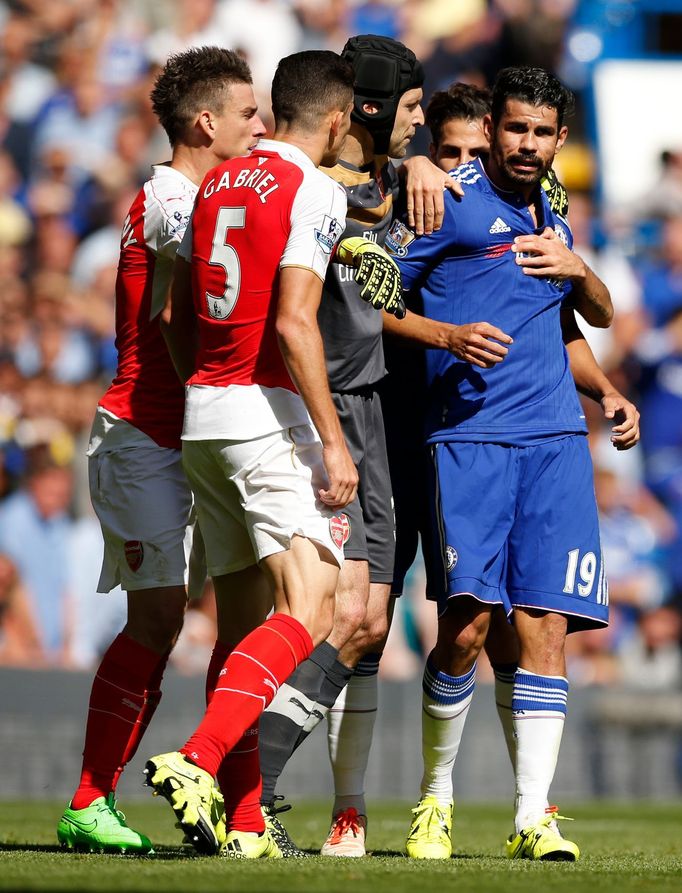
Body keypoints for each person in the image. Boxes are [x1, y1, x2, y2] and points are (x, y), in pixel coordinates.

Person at [146, 48, 402, 861]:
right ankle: (199, 757)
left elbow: (172, 313)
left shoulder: (212, 180)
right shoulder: (316, 188)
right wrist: (333, 441)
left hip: (205, 415)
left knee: (244, 626)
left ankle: (247, 820)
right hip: (267, 417)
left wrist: (205, 392)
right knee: (315, 606)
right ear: (336, 120)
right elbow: (296, 322)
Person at [381, 80, 640, 860]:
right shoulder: (450, 200)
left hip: (557, 440)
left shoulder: (553, 213)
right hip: (469, 439)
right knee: (466, 629)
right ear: (491, 129)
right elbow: (372, 295)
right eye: (516, 129)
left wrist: (606, 388)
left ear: (561, 139)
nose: (528, 143)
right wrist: (446, 335)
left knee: (546, 625)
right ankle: (436, 796)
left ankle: (534, 815)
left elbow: (582, 318)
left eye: (544, 132)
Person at [56, 46, 266, 855]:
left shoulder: (205, 193)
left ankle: (233, 802)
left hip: (191, 438)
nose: (262, 128)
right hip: (146, 434)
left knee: (210, 618)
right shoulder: (173, 199)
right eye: (250, 114)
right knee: (156, 616)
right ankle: (87, 798)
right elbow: (180, 323)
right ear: (207, 121)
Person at [255, 34, 458, 858]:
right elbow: (346, 215)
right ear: (368, 107)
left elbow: (364, 200)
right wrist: (399, 172)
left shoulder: (358, 186)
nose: (420, 126)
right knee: (325, 611)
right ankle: (241, 785)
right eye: (411, 110)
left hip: (369, 411)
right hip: (329, 412)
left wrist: (403, 167)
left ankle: (246, 784)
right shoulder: (316, 190)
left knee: (366, 617)